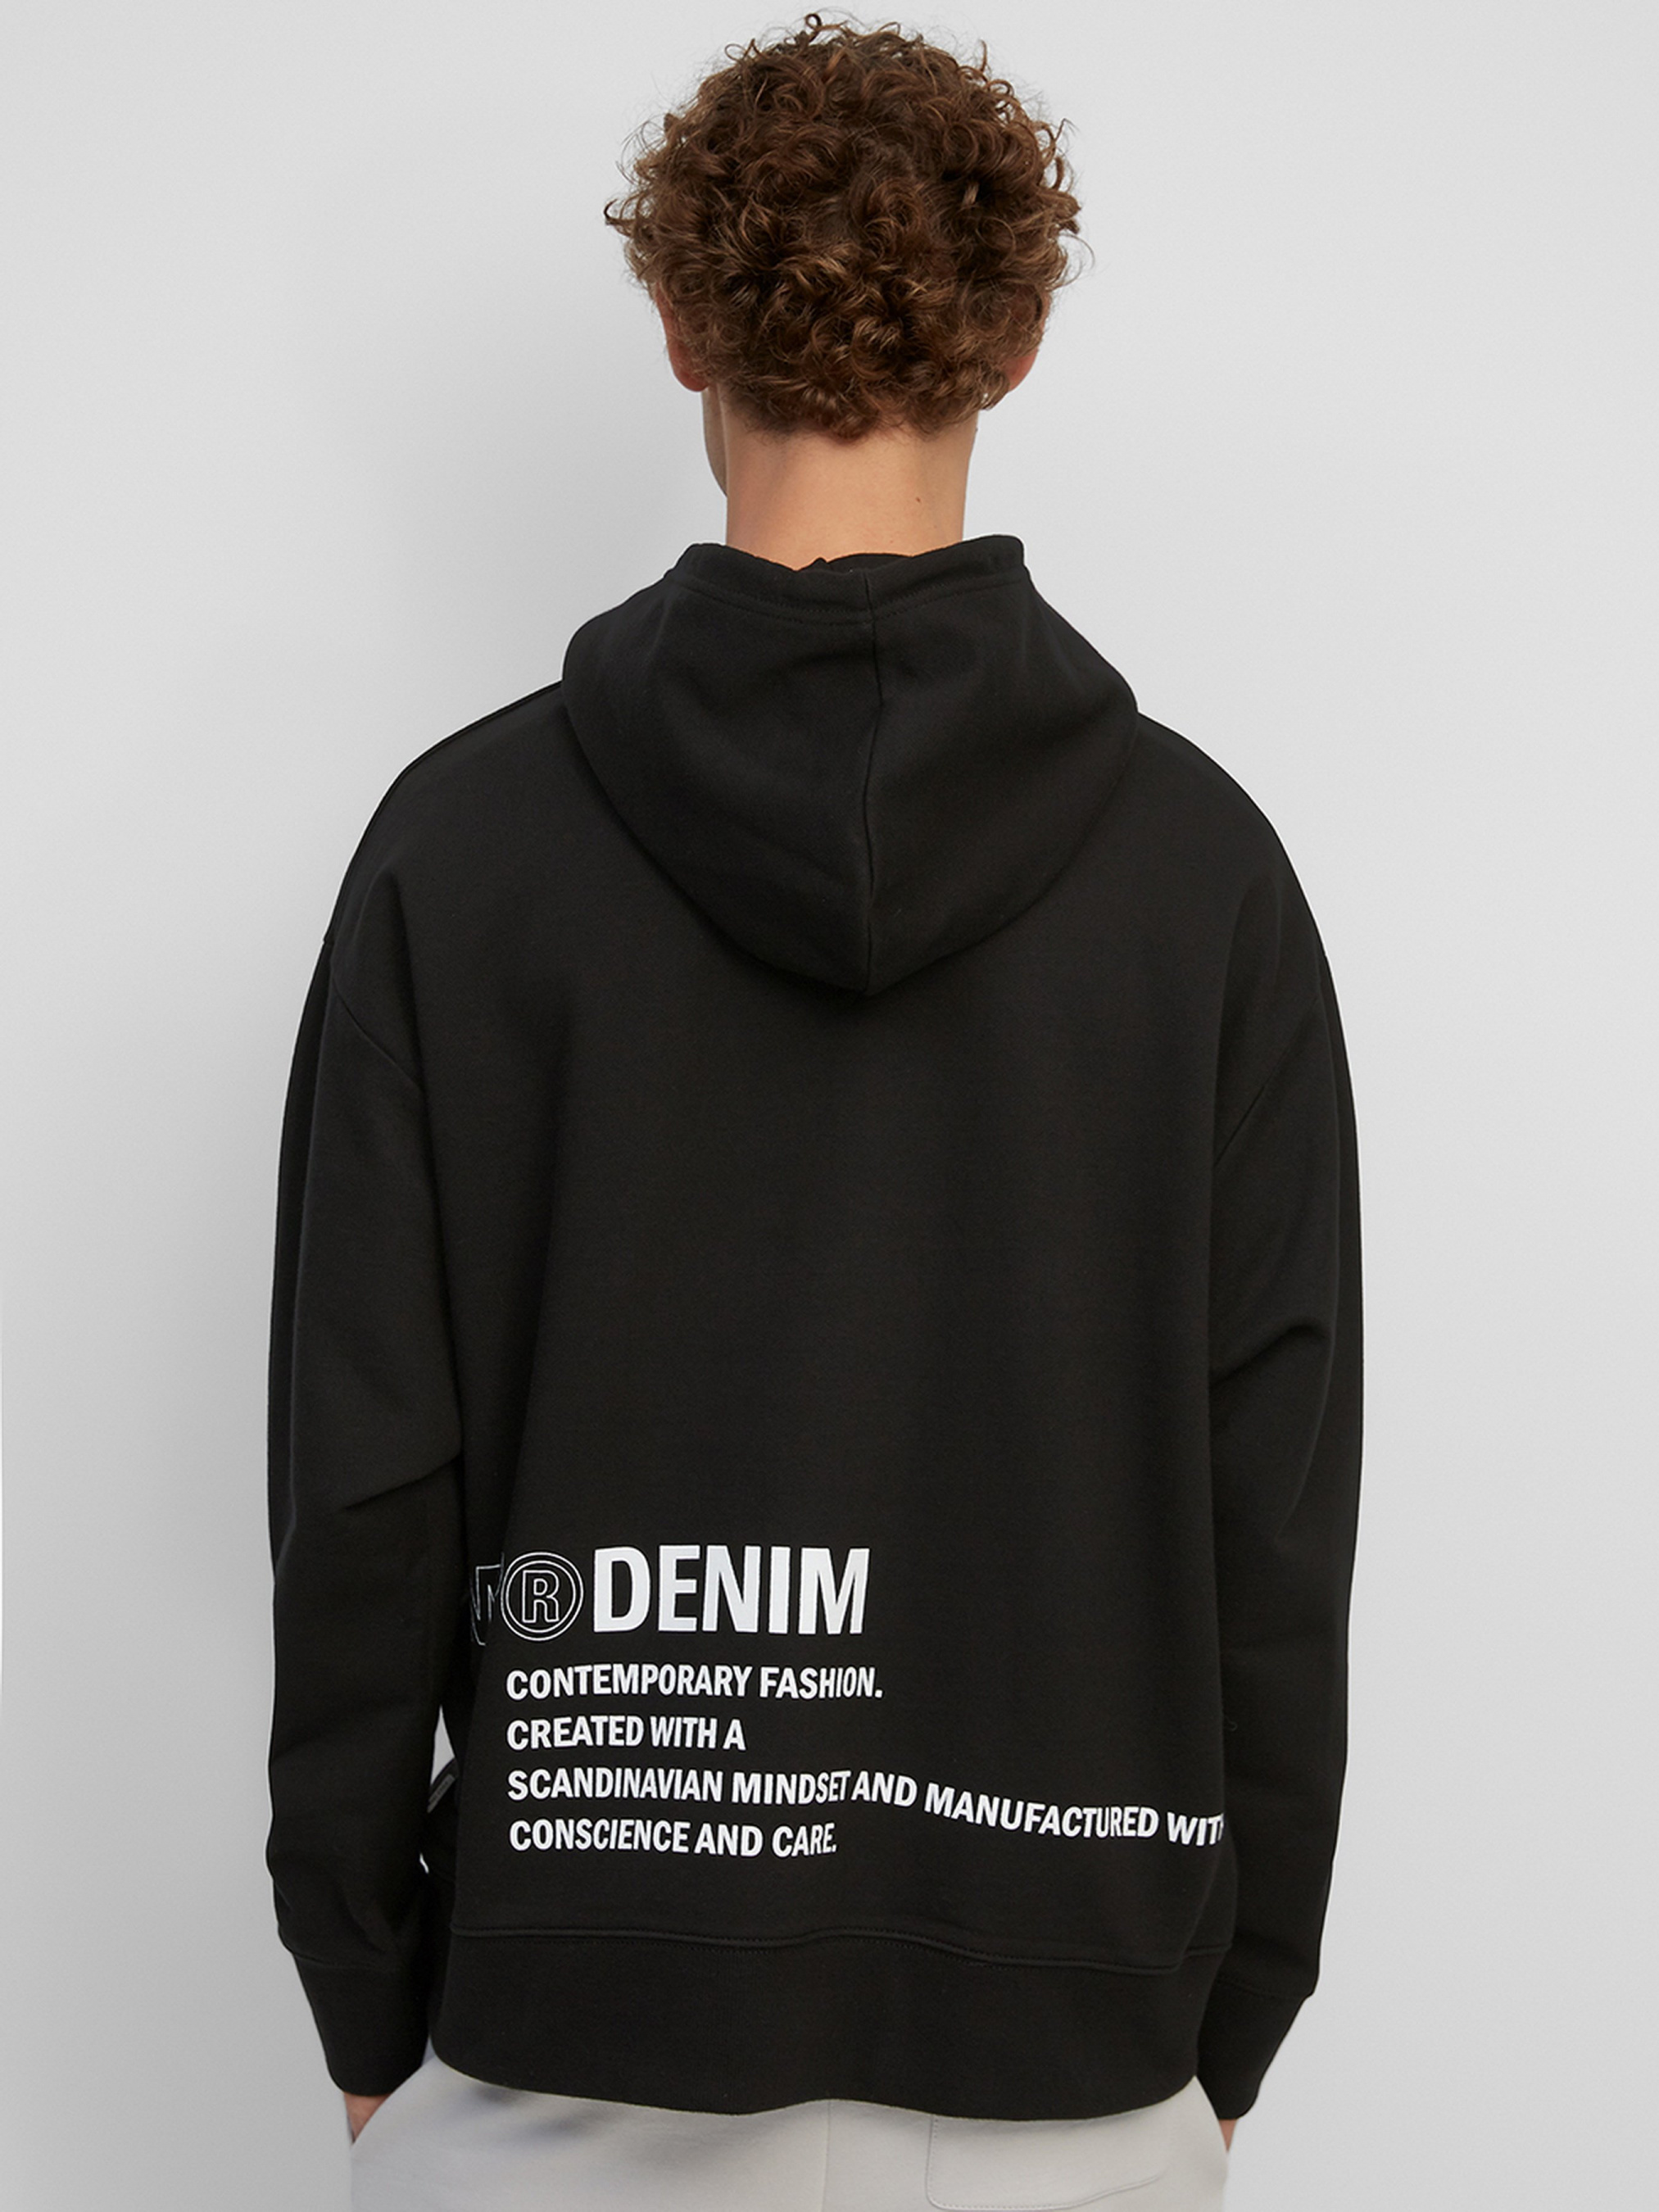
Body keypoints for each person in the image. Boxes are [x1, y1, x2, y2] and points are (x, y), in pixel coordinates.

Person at [265, 16, 1362, 2210]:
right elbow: (1275, 1496)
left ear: (679, 329)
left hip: (572, 2029)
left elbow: (364, 1474)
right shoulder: (1203, 877)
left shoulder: (461, 851)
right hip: (1072, 2051)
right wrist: (1232, 2006)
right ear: (1016, 343)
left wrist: (365, 1981)